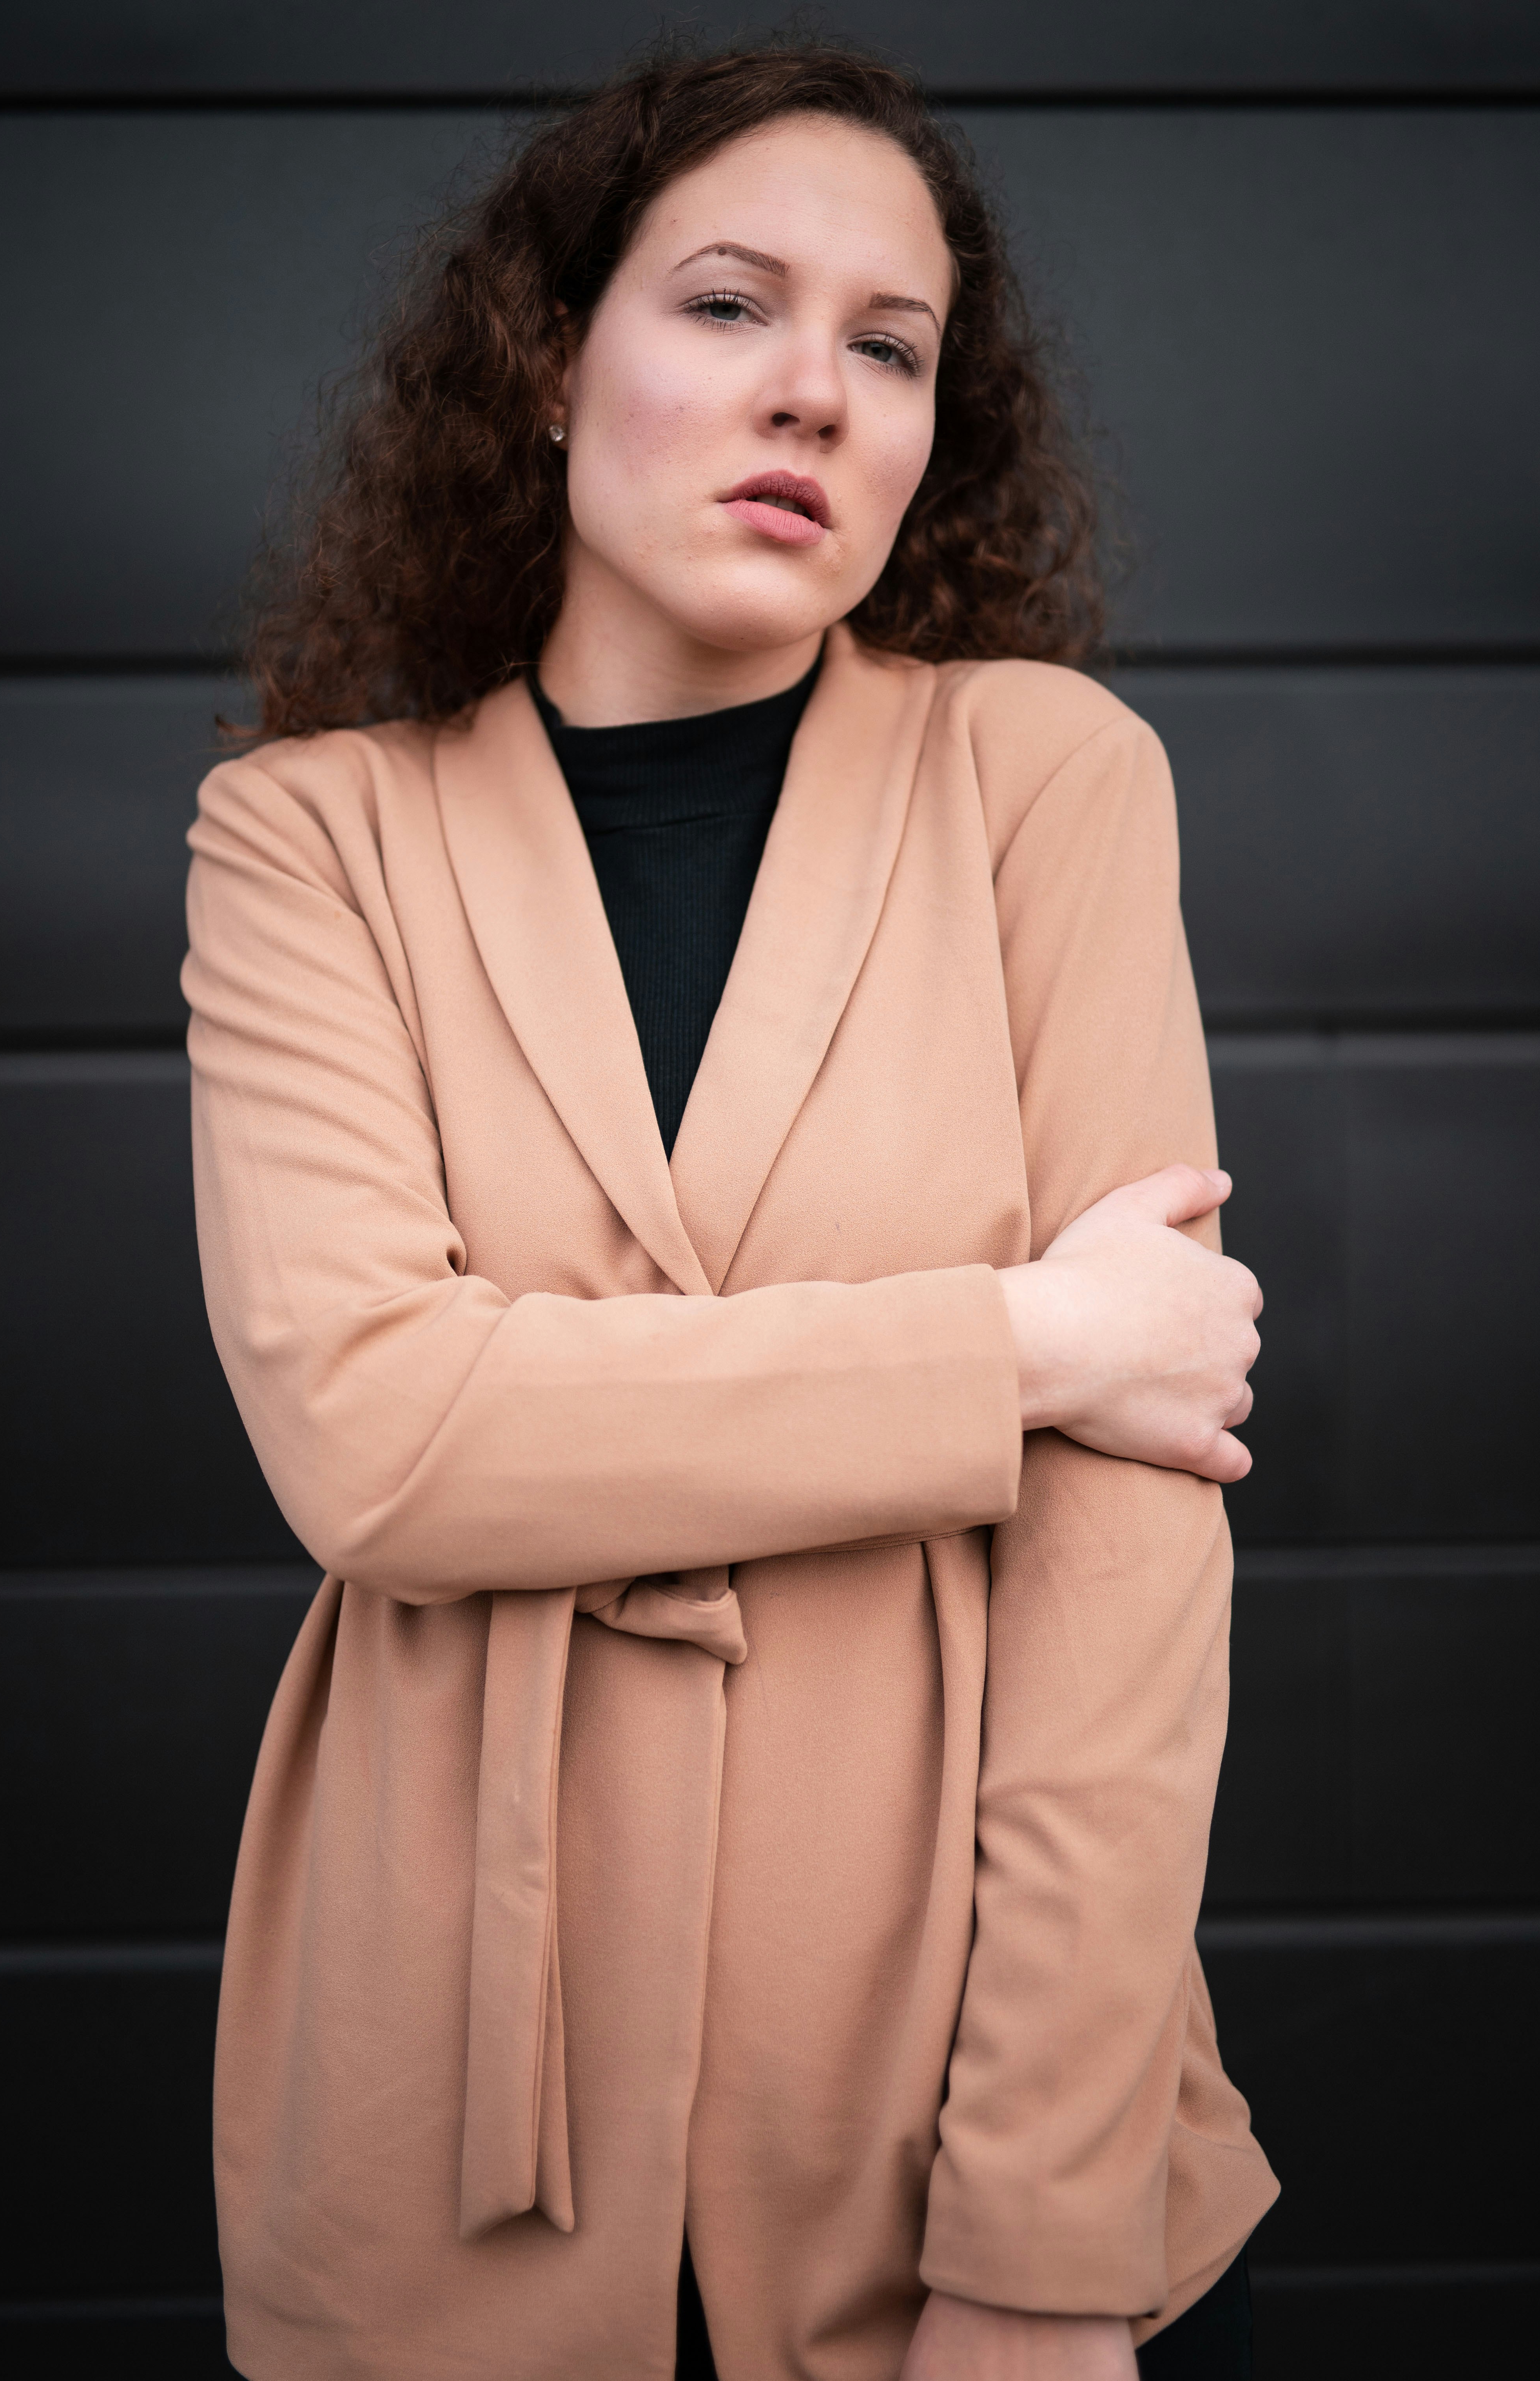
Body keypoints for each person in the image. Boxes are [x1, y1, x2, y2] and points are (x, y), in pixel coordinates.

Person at [185, 42, 1277, 2381]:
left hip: (925, 2107)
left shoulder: (1040, 780)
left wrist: (1041, 2237)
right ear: (546, 359)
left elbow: (1130, 1567)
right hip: (438, 2105)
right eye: (725, 309)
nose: (814, 393)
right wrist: (1024, 1349)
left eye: (887, 349)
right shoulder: (308, 842)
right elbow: (380, 1444)